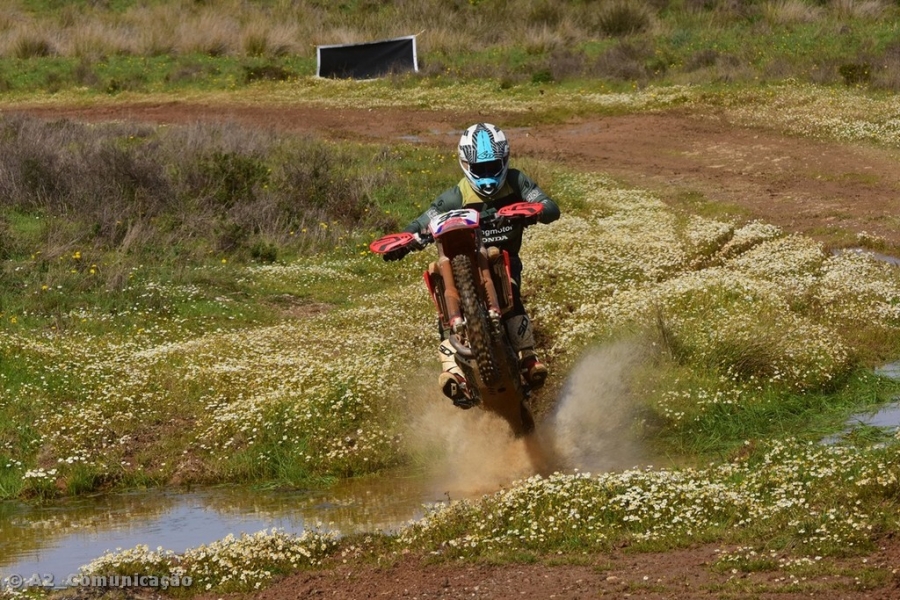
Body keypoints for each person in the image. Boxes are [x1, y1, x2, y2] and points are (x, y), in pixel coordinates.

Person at [385, 123, 560, 406]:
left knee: (511, 289)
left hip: (504, 258)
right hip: (464, 261)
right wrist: (407, 240)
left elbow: (550, 207)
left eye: (494, 166)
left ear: (505, 161)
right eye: (481, 168)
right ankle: (453, 372)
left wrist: (529, 213)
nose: (489, 175)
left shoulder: (517, 181)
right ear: (466, 164)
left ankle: (528, 358)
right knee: (439, 286)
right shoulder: (456, 195)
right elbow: (422, 221)